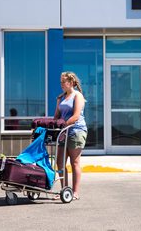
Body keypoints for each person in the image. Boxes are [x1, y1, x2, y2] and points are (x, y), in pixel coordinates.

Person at [54, 71, 87, 200]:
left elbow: (76, 116)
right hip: (64, 132)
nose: (61, 84)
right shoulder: (62, 98)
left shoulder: (77, 95)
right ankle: (64, 190)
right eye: (61, 82)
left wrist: (63, 125)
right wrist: (57, 102)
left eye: (64, 82)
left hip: (76, 131)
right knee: (60, 162)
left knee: (75, 162)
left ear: (71, 82)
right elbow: (56, 117)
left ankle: (75, 192)